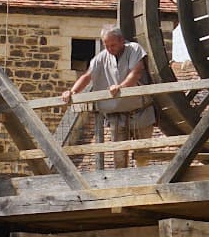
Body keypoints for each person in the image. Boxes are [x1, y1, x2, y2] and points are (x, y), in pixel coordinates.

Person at [61, 25, 157, 169]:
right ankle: (122, 188)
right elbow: (88, 76)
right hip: (116, 116)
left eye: (113, 45)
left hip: (140, 112)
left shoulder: (134, 49)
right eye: (106, 45)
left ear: (122, 41)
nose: (110, 48)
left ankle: (141, 187)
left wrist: (121, 87)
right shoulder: (101, 57)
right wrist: (72, 91)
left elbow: (136, 72)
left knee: (142, 155)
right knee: (118, 158)